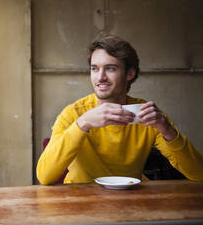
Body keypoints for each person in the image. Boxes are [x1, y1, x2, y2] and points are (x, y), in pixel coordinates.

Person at [36, 34, 203, 185]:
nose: (100, 77)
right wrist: (83, 124)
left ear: (130, 73)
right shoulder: (73, 114)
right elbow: (44, 176)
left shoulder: (146, 114)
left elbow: (198, 173)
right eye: (94, 68)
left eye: (110, 68)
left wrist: (167, 130)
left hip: (129, 203)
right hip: (80, 204)